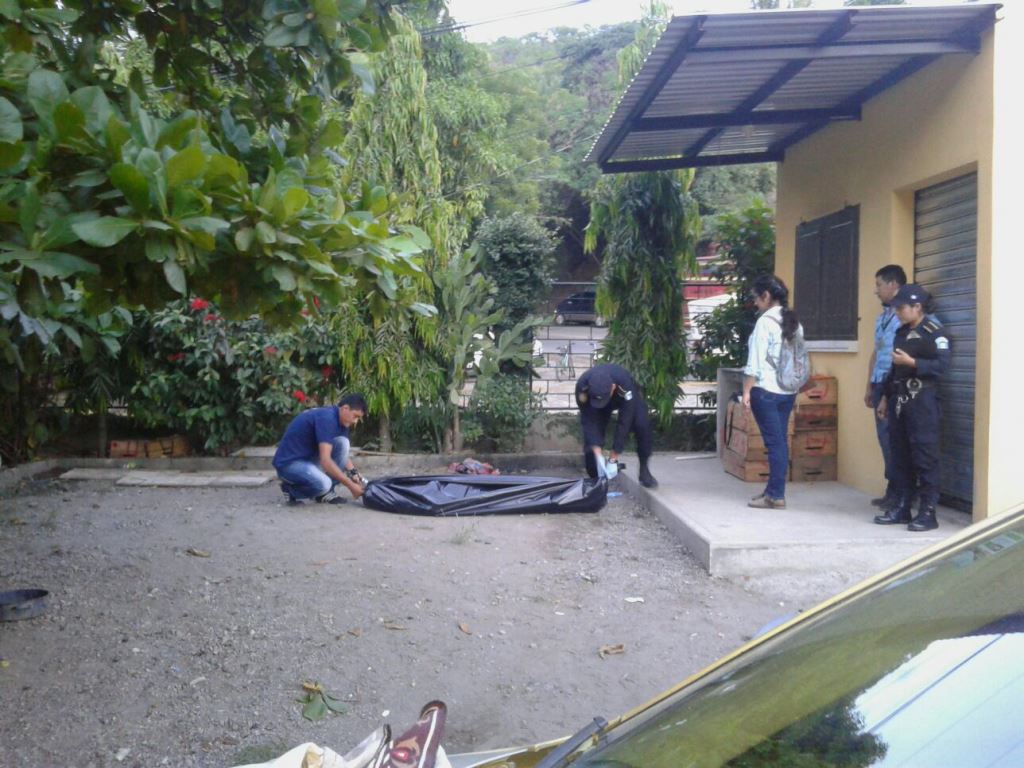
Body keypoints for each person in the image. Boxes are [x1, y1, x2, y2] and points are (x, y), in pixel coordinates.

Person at [873, 284, 950, 532]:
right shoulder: (902, 332)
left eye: (902, 308)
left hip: (923, 401)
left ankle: (928, 512)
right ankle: (903, 507)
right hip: (899, 399)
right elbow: (894, 369)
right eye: (896, 309)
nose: (898, 313)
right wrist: (884, 397)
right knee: (900, 456)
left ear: (917, 307)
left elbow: (941, 366)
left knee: (925, 457)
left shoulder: (934, 332)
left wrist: (913, 362)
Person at [742, 274, 804, 509]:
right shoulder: (795, 322)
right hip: (787, 392)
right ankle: (772, 490)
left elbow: (754, 363)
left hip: (765, 390)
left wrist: (747, 391)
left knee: (774, 443)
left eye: (757, 299)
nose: (756, 304)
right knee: (779, 442)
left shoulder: (765, 323)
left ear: (766, 296)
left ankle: (776, 495)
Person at [273, 393, 368, 505]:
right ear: (345, 408)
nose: (355, 421)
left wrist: (353, 473)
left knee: (343, 442)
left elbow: (342, 454)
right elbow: (325, 460)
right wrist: (351, 486)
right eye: (355, 416)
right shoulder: (327, 419)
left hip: (307, 459)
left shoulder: (341, 421)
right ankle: (291, 491)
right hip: (288, 465)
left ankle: (325, 494)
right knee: (324, 484)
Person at [864, 265, 907, 510]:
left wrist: (887, 392)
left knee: (894, 440)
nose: (876, 291)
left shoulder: (903, 318)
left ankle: (901, 493)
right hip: (880, 382)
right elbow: (877, 352)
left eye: (879, 285)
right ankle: (892, 489)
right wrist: (869, 385)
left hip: (895, 383)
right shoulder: (883, 318)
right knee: (884, 439)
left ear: (893, 285)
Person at [575, 363, 658, 488]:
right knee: (592, 453)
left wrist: (613, 458)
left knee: (642, 424)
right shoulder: (582, 387)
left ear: (613, 387)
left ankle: (644, 470)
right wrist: (598, 454)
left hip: (623, 399)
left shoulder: (624, 384)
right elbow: (589, 421)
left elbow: (625, 421)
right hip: (595, 406)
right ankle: (595, 478)